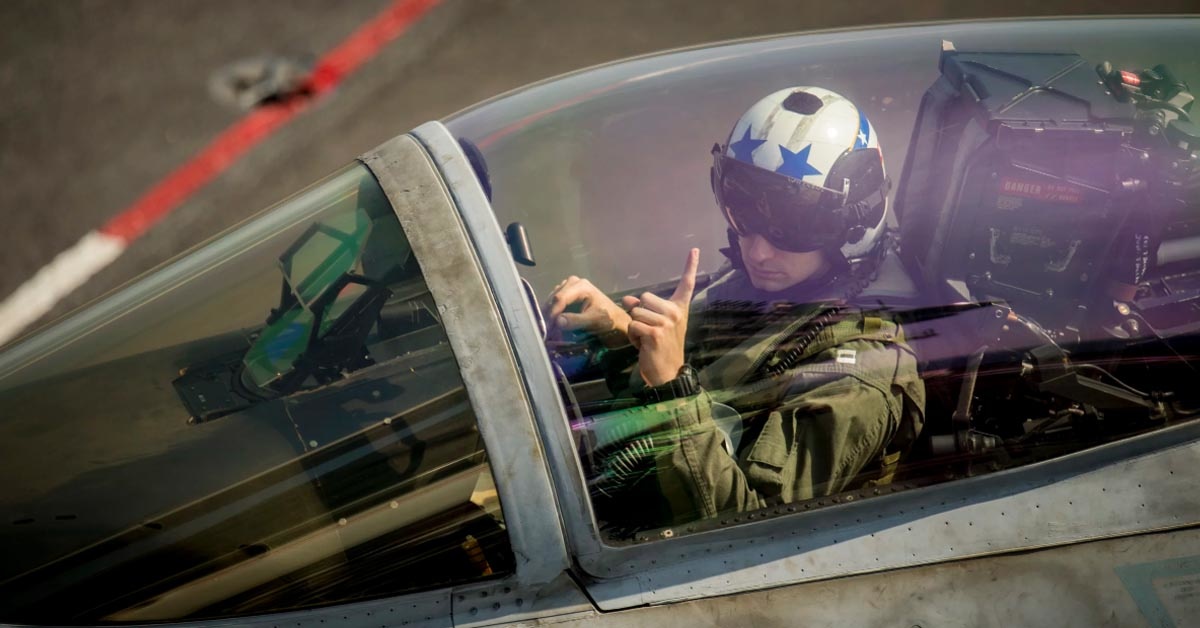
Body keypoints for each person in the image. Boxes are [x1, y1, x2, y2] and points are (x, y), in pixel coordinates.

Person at [546, 87, 925, 527]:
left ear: (852, 224)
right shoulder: (755, 294)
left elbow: (751, 529)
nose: (758, 251)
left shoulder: (862, 372)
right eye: (744, 216)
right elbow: (712, 391)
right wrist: (621, 333)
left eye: (790, 230)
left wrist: (670, 389)